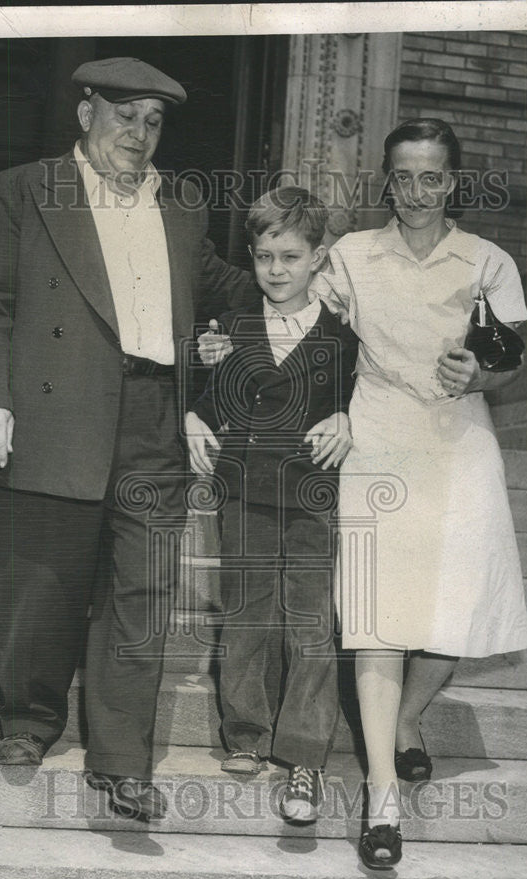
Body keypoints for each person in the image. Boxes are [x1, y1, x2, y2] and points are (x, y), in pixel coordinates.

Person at [0, 57, 252, 821]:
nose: (140, 134)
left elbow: (227, 288)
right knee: (44, 579)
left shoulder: (183, 205)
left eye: (153, 122)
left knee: (143, 594)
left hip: (155, 416)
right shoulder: (26, 189)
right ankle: (28, 720)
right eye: (125, 116)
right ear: (86, 113)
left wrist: (322, 268)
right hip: (55, 411)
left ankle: (123, 762)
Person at [313, 118, 527, 868]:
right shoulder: (350, 256)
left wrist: (485, 374)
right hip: (377, 438)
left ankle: (407, 718)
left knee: (456, 604)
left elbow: (509, 358)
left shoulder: (486, 260)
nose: (416, 191)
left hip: (459, 444)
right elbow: (309, 334)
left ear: (453, 182)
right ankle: (382, 796)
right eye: (403, 176)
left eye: (431, 176)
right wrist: (328, 405)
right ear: (387, 180)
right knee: (375, 615)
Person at [185, 188, 358, 823]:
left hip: (312, 494)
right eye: (263, 257)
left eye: (290, 256)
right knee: (247, 610)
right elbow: (210, 398)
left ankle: (306, 752)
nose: (276, 270)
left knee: (310, 620)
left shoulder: (342, 337)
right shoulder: (230, 327)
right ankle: (246, 734)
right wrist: (193, 415)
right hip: (244, 490)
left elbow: (356, 400)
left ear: (319, 258)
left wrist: (345, 414)